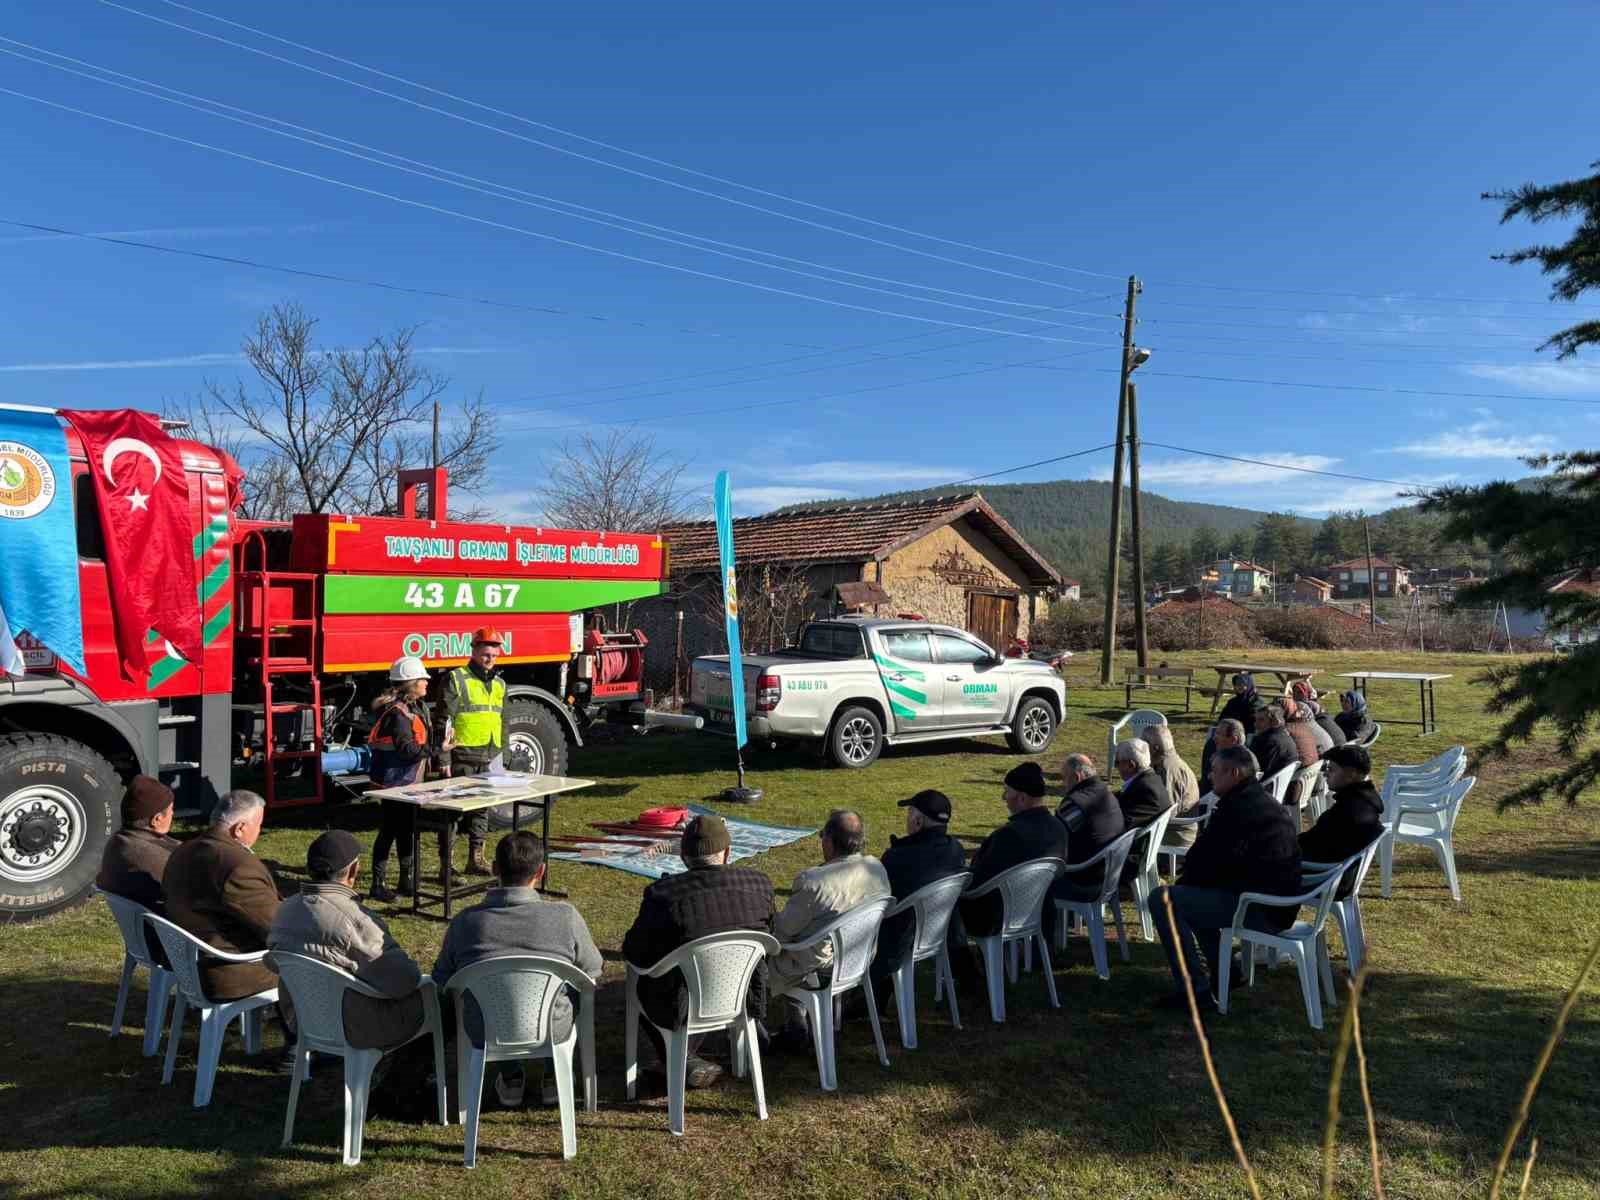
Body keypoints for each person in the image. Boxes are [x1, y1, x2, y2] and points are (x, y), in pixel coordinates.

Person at [433, 831, 603, 1107]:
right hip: (552, 1027)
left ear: (494, 868)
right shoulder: (565, 917)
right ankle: (552, 1075)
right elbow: (593, 970)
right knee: (572, 987)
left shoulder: (465, 923)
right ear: (541, 871)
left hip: (485, 1029)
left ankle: (510, 1077)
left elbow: (442, 978)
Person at [622, 814, 775, 1088]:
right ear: (727, 853)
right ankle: (691, 1057)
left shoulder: (664, 895)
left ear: (682, 856)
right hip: (743, 994)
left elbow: (636, 952)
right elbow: (771, 937)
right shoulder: (759, 884)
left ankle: (680, 1057)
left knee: (643, 981)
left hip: (683, 1004)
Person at [1150, 745, 1303, 1012]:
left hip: (1259, 907)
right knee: (1191, 901)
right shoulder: (1261, 801)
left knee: (1163, 900)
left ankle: (1194, 991)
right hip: (1275, 902)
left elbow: (1207, 859)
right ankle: (1228, 972)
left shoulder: (1239, 810)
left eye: (1215, 771)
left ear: (1234, 773)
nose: (1209, 776)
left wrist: (1185, 884)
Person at [268, 830, 428, 1053]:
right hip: (354, 1026)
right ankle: (402, 1083)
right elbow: (406, 979)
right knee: (436, 1001)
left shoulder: (285, 910)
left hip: (302, 1018)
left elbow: (274, 963)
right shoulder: (354, 920)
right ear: (354, 870)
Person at [771, 810, 890, 1044]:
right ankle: (798, 1024)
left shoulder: (813, 882)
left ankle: (777, 1030)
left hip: (818, 964)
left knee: (766, 955)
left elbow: (781, 933)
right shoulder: (877, 868)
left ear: (829, 840)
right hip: (860, 956)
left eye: (822, 835)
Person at [163, 789, 282, 1006]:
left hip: (188, 963)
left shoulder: (183, 850)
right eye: (259, 825)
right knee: (312, 968)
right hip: (227, 971)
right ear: (241, 828)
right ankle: (301, 1036)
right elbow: (277, 928)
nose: (259, 830)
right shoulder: (238, 867)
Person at [367, 656, 453, 902]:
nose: (427, 681)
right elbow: (406, 751)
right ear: (411, 683)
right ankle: (378, 884)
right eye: (423, 678)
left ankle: (406, 881)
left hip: (405, 783)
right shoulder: (398, 714)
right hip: (394, 785)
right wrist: (439, 749)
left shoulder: (412, 708)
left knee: (406, 831)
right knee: (390, 832)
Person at [869, 790, 967, 999]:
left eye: (909, 813)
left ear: (918, 821)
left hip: (900, 938)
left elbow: (877, 899)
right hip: (940, 930)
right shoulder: (955, 850)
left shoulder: (898, 857)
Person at [959, 762, 1067, 940]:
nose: (1003, 797)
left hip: (1001, 917)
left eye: (1007, 791)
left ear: (1022, 798)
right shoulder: (1058, 827)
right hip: (1041, 910)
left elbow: (979, 880)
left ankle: (961, 964)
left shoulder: (1009, 835)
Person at [434, 627, 507, 879]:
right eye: (486, 654)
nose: (490, 659)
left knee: (482, 809)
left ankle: (476, 859)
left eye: (495, 655)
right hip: (461, 755)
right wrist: (443, 759)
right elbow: (444, 720)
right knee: (452, 813)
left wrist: (500, 753)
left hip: (488, 755)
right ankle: (447, 866)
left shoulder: (499, 683)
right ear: (474, 651)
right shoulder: (456, 678)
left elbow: (501, 719)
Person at [1047, 754, 1126, 943]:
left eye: (1064, 778)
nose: (1063, 784)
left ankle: (1042, 944)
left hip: (1085, 880)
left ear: (1076, 777)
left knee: (1038, 880)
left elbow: (1054, 840)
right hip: (1108, 876)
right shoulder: (1106, 793)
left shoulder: (1075, 803)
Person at [1299, 744, 1385, 883]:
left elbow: (1311, 845)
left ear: (1351, 774)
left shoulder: (1348, 811)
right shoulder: (1366, 802)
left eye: (1331, 769)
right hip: (1340, 875)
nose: (1325, 773)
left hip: (1323, 878)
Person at [97, 775, 180, 914]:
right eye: (171, 809)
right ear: (157, 819)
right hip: (167, 930)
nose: (173, 813)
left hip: (140, 927)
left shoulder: (118, 842)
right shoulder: (159, 858)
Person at [1142, 725, 1202, 848]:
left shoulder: (1166, 770)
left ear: (1154, 748)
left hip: (1174, 837)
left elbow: (1166, 813)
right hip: (1175, 831)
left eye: (1143, 744)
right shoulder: (1170, 762)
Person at [1114, 738, 1173, 829]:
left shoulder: (1144, 789)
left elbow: (1123, 824)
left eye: (1117, 762)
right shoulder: (1153, 779)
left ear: (1131, 765)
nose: (1116, 767)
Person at [1250, 702, 1300, 787]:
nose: (1256, 724)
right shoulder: (1285, 736)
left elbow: (1255, 771)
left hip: (1264, 789)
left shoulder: (1268, 741)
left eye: (1261, 720)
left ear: (1275, 722)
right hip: (1280, 787)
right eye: (1256, 720)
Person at [1292, 681, 1347, 750]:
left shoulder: (1307, 709)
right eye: (1294, 692)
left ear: (1306, 693)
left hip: (1333, 751)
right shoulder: (1318, 708)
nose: (1295, 695)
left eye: (1299, 692)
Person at [1200, 719, 1247, 796]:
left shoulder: (1244, 762)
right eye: (1215, 733)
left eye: (1219, 734)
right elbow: (1206, 779)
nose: (1214, 738)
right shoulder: (1212, 746)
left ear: (1233, 739)